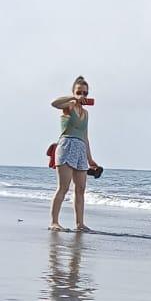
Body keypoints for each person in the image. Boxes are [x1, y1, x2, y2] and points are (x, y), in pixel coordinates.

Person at [49, 76, 100, 232]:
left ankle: (80, 223)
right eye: (79, 92)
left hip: (80, 149)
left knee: (81, 188)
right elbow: (54, 103)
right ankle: (54, 222)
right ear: (73, 92)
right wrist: (74, 98)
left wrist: (90, 159)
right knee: (63, 187)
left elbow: (85, 136)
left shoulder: (85, 113)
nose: (82, 96)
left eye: (85, 93)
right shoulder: (68, 106)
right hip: (66, 146)